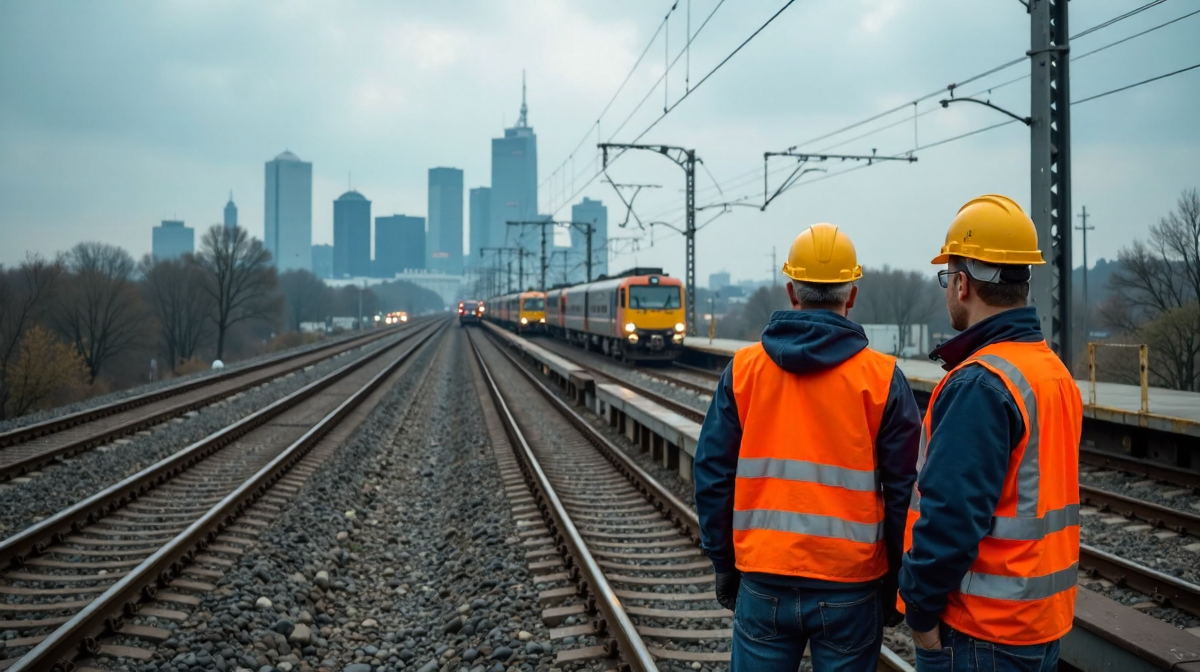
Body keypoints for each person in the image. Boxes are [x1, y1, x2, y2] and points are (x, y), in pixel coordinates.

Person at [694, 223, 921, 671]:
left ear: (791, 292)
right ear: (851, 295)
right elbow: (905, 491)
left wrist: (723, 558)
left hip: (763, 578)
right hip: (851, 586)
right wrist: (898, 577)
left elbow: (713, 472)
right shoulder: (880, 379)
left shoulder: (744, 370)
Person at [899, 195, 1083, 671]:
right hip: (1040, 622)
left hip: (983, 632)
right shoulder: (1051, 372)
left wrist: (919, 611)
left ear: (962, 284)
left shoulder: (980, 382)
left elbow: (950, 517)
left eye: (948, 276)